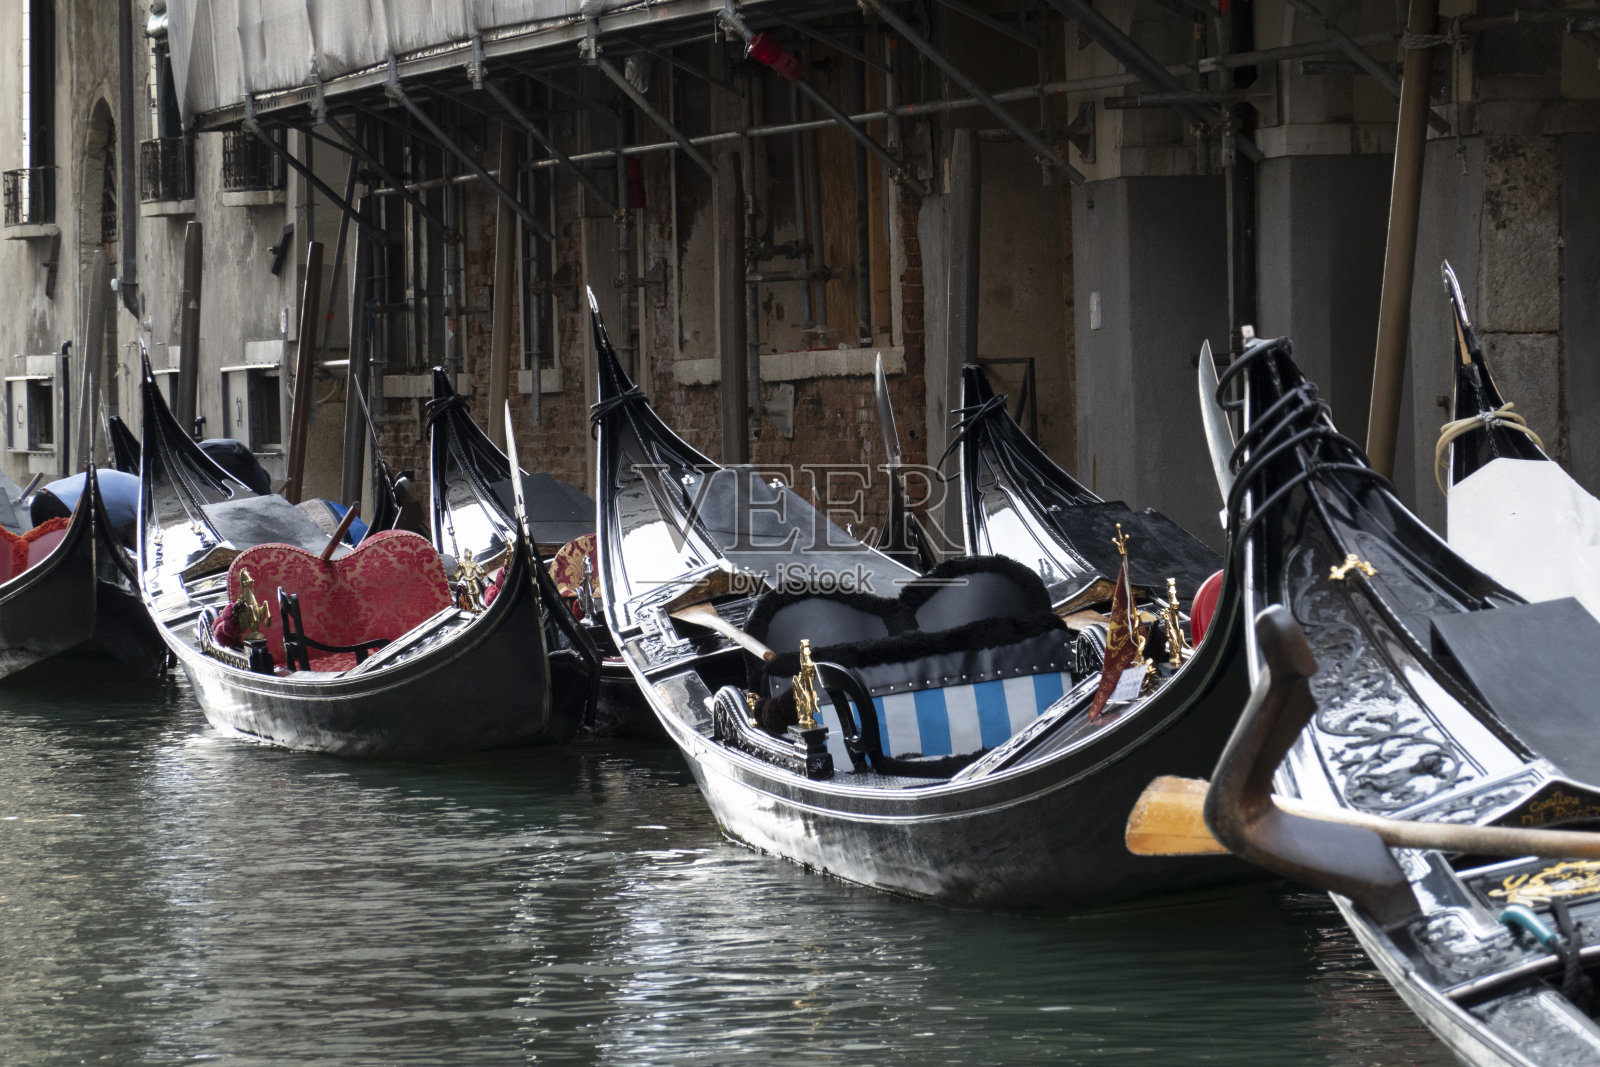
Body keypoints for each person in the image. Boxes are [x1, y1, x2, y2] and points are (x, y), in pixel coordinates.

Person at [30, 469, 141, 544]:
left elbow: (133, 531)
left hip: (43, 496)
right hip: (61, 506)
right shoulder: (142, 497)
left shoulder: (134, 485)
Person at [199, 438, 272, 495]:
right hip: (226, 451)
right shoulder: (258, 477)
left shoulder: (243, 473)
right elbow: (265, 495)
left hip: (201, 448)